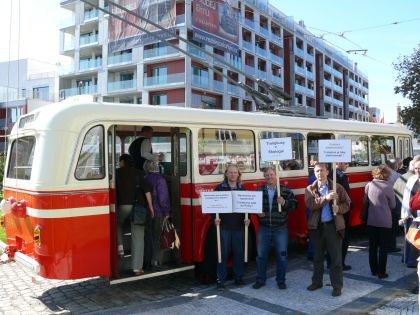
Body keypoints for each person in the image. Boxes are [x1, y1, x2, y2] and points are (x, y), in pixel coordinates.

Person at [305, 163, 351, 297]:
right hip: (317, 227)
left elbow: (347, 203)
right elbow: (311, 205)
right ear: (314, 173)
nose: (319, 173)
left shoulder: (337, 187)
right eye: (317, 171)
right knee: (317, 257)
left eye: (322, 170)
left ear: (327, 172)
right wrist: (326, 198)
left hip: (333, 226)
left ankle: (337, 286)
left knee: (335, 258)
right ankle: (317, 282)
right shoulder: (310, 189)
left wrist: (339, 209)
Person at [252, 166, 298, 290]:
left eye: (271, 174)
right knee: (261, 256)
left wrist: (284, 203)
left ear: (276, 175)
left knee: (282, 256)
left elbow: (294, 205)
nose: (269, 177)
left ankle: (281, 280)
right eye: (267, 175)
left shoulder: (285, 190)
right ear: (264, 177)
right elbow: (252, 206)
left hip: (280, 228)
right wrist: (257, 212)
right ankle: (260, 280)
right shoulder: (259, 190)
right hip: (264, 227)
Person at [115, 154, 154, 276]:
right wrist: (151, 208)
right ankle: (137, 268)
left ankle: (120, 248)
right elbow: (147, 191)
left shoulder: (116, 173)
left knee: (116, 224)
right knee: (138, 237)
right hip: (138, 208)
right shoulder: (139, 173)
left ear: (122, 162)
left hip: (122, 206)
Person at [214, 164, 250, 291]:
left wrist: (248, 219)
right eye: (230, 172)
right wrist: (215, 218)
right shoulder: (219, 188)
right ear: (226, 174)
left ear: (238, 174)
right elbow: (213, 206)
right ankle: (220, 280)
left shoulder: (243, 189)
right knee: (222, 254)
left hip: (239, 226)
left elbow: (247, 207)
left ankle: (238, 278)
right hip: (224, 227)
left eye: (235, 172)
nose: (233, 174)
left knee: (239, 253)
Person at [364, 165, 396, 279]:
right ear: (387, 174)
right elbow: (393, 205)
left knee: (372, 246)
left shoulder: (369, 185)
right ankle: (381, 272)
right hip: (385, 221)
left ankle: (373, 270)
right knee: (383, 247)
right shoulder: (388, 187)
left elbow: (365, 202)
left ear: (375, 174)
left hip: (371, 220)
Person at [144, 160, 171, 267]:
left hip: (146, 212)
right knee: (157, 237)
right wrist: (167, 212)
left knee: (148, 237)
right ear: (156, 167)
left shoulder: (145, 178)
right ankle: (156, 261)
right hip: (158, 212)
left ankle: (147, 260)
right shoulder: (160, 179)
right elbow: (163, 198)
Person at [328, 162, 352, 270]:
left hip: (329, 211)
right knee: (343, 237)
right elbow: (346, 196)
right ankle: (341, 263)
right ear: (339, 162)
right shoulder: (342, 176)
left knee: (330, 238)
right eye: (346, 163)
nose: (347, 165)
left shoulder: (328, 174)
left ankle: (329, 262)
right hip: (341, 212)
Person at [399, 156, 420, 268]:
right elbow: (406, 199)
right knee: (412, 241)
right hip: (412, 218)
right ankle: (412, 261)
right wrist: (404, 215)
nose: (418, 170)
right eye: (416, 168)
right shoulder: (412, 180)